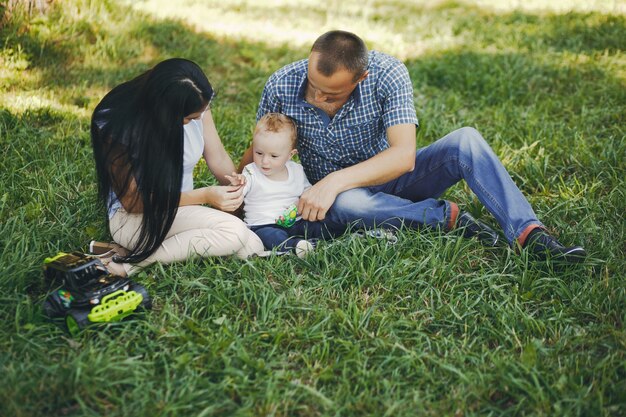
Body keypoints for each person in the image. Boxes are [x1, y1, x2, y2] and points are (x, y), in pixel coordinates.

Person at [241, 30, 586, 263]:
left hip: (388, 177)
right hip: (333, 202)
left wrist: (334, 180)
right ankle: (448, 218)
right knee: (351, 201)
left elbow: (404, 157)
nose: (316, 97)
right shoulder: (282, 83)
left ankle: (529, 233)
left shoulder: (388, 74)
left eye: (330, 93)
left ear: (361, 77)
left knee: (466, 139)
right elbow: (259, 148)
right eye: (314, 86)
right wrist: (233, 187)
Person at [90, 58, 264, 276]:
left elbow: (218, 157)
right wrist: (206, 195)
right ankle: (127, 265)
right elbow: (134, 203)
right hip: (135, 219)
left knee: (251, 248)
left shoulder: (196, 100)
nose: (200, 118)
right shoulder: (116, 124)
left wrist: (238, 193)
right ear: (166, 113)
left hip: (180, 210)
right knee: (233, 233)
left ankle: (125, 252)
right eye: (191, 118)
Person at [229, 113, 345, 257]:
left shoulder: (296, 170)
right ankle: (295, 246)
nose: (265, 161)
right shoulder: (251, 172)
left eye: (274, 156)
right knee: (271, 236)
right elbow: (241, 189)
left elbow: (308, 193)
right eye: (259, 153)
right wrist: (238, 184)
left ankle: (346, 232)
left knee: (320, 226)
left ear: (291, 155)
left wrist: (297, 207)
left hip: (295, 221)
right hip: (263, 224)